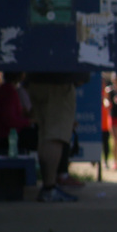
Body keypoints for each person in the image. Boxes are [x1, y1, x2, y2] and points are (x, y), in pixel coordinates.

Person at [25, 71, 86, 203]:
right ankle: (49, 188)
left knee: (45, 134)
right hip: (57, 82)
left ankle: (48, 185)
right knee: (55, 135)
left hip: (35, 79)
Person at [0, 71, 34, 154]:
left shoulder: (6, 89)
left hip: (7, 136)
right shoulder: (9, 90)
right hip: (9, 138)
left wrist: (22, 113)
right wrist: (28, 122)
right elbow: (10, 120)